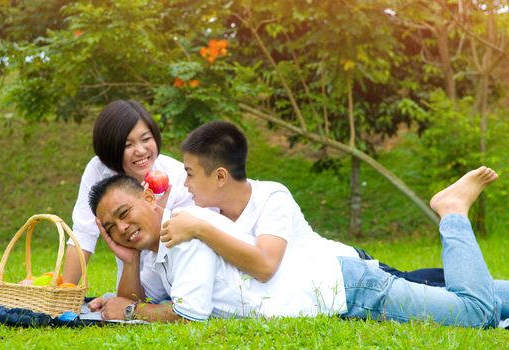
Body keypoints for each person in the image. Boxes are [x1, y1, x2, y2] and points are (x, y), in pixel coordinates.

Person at [88, 168, 506, 327]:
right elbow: (139, 295)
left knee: (471, 312)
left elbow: (187, 315)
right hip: (343, 286)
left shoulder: (184, 234)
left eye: (124, 213)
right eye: (111, 226)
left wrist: (128, 310)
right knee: (468, 299)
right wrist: (128, 263)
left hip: (350, 290)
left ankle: (451, 211)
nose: (121, 228)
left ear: (149, 197)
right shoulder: (161, 250)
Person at [160, 121, 444, 286]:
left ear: (220, 176)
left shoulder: (273, 197)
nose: (186, 184)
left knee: (414, 285)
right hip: (314, 290)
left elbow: (265, 265)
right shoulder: (206, 210)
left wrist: (200, 229)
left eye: (190, 174)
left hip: (349, 272)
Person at [62, 100, 193, 284]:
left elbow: (190, 245)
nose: (140, 151)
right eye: (127, 145)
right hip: (131, 283)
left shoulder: (177, 176)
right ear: (111, 148)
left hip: (178, 283)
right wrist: (64, 293)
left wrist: (157, 215)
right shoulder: (99, 171)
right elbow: (84, 234)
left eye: (146, 139)